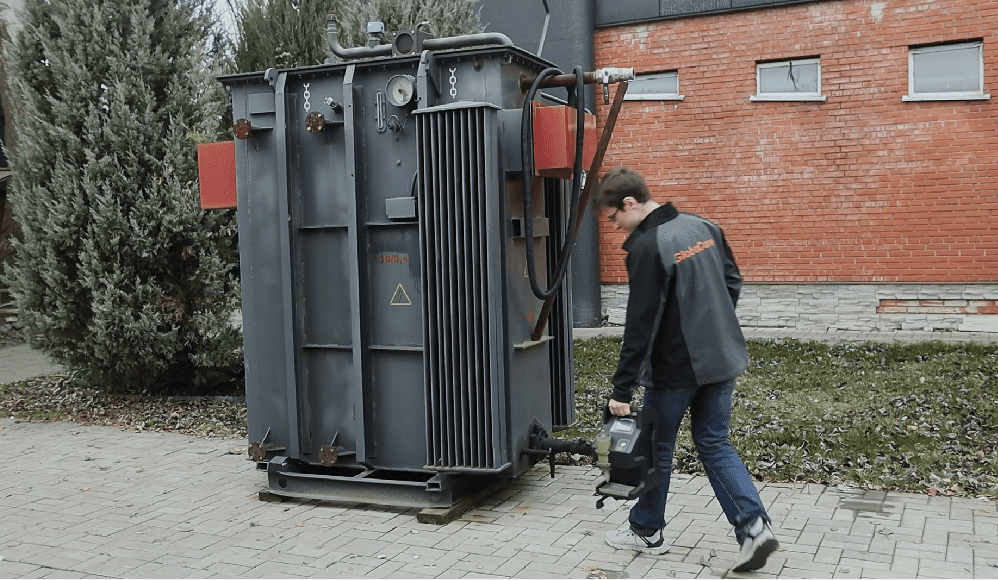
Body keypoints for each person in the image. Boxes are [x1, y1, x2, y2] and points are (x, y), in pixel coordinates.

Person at [595, 167, 779, 572]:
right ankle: (754, 527)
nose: (615, 228)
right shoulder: (703, 225)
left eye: (613, 218)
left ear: (629, 203)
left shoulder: (647, 245)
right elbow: (732, 282)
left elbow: (639, 327)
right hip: (721, 358)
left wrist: (621, 391)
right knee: (714, 443)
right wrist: (710, 327)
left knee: (658, 447)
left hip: (676, 370)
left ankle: (646, 530)